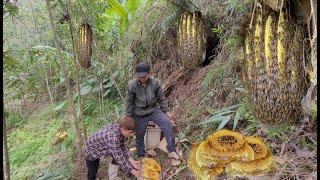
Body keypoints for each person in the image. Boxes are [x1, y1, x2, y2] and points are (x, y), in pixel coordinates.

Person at [125, 61, 180, 160]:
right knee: (139, 134)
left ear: (149, 74)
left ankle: (171, 150)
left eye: (144, 76)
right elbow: (129, 101)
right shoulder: (132, 85)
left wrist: (166, 111)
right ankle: (141, 155)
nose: (142, 79)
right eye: (139, 77)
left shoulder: (155, 83)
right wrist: (128, 116)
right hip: (139, 112)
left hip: (153, 110)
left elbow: (161, 98)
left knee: (167, 123)